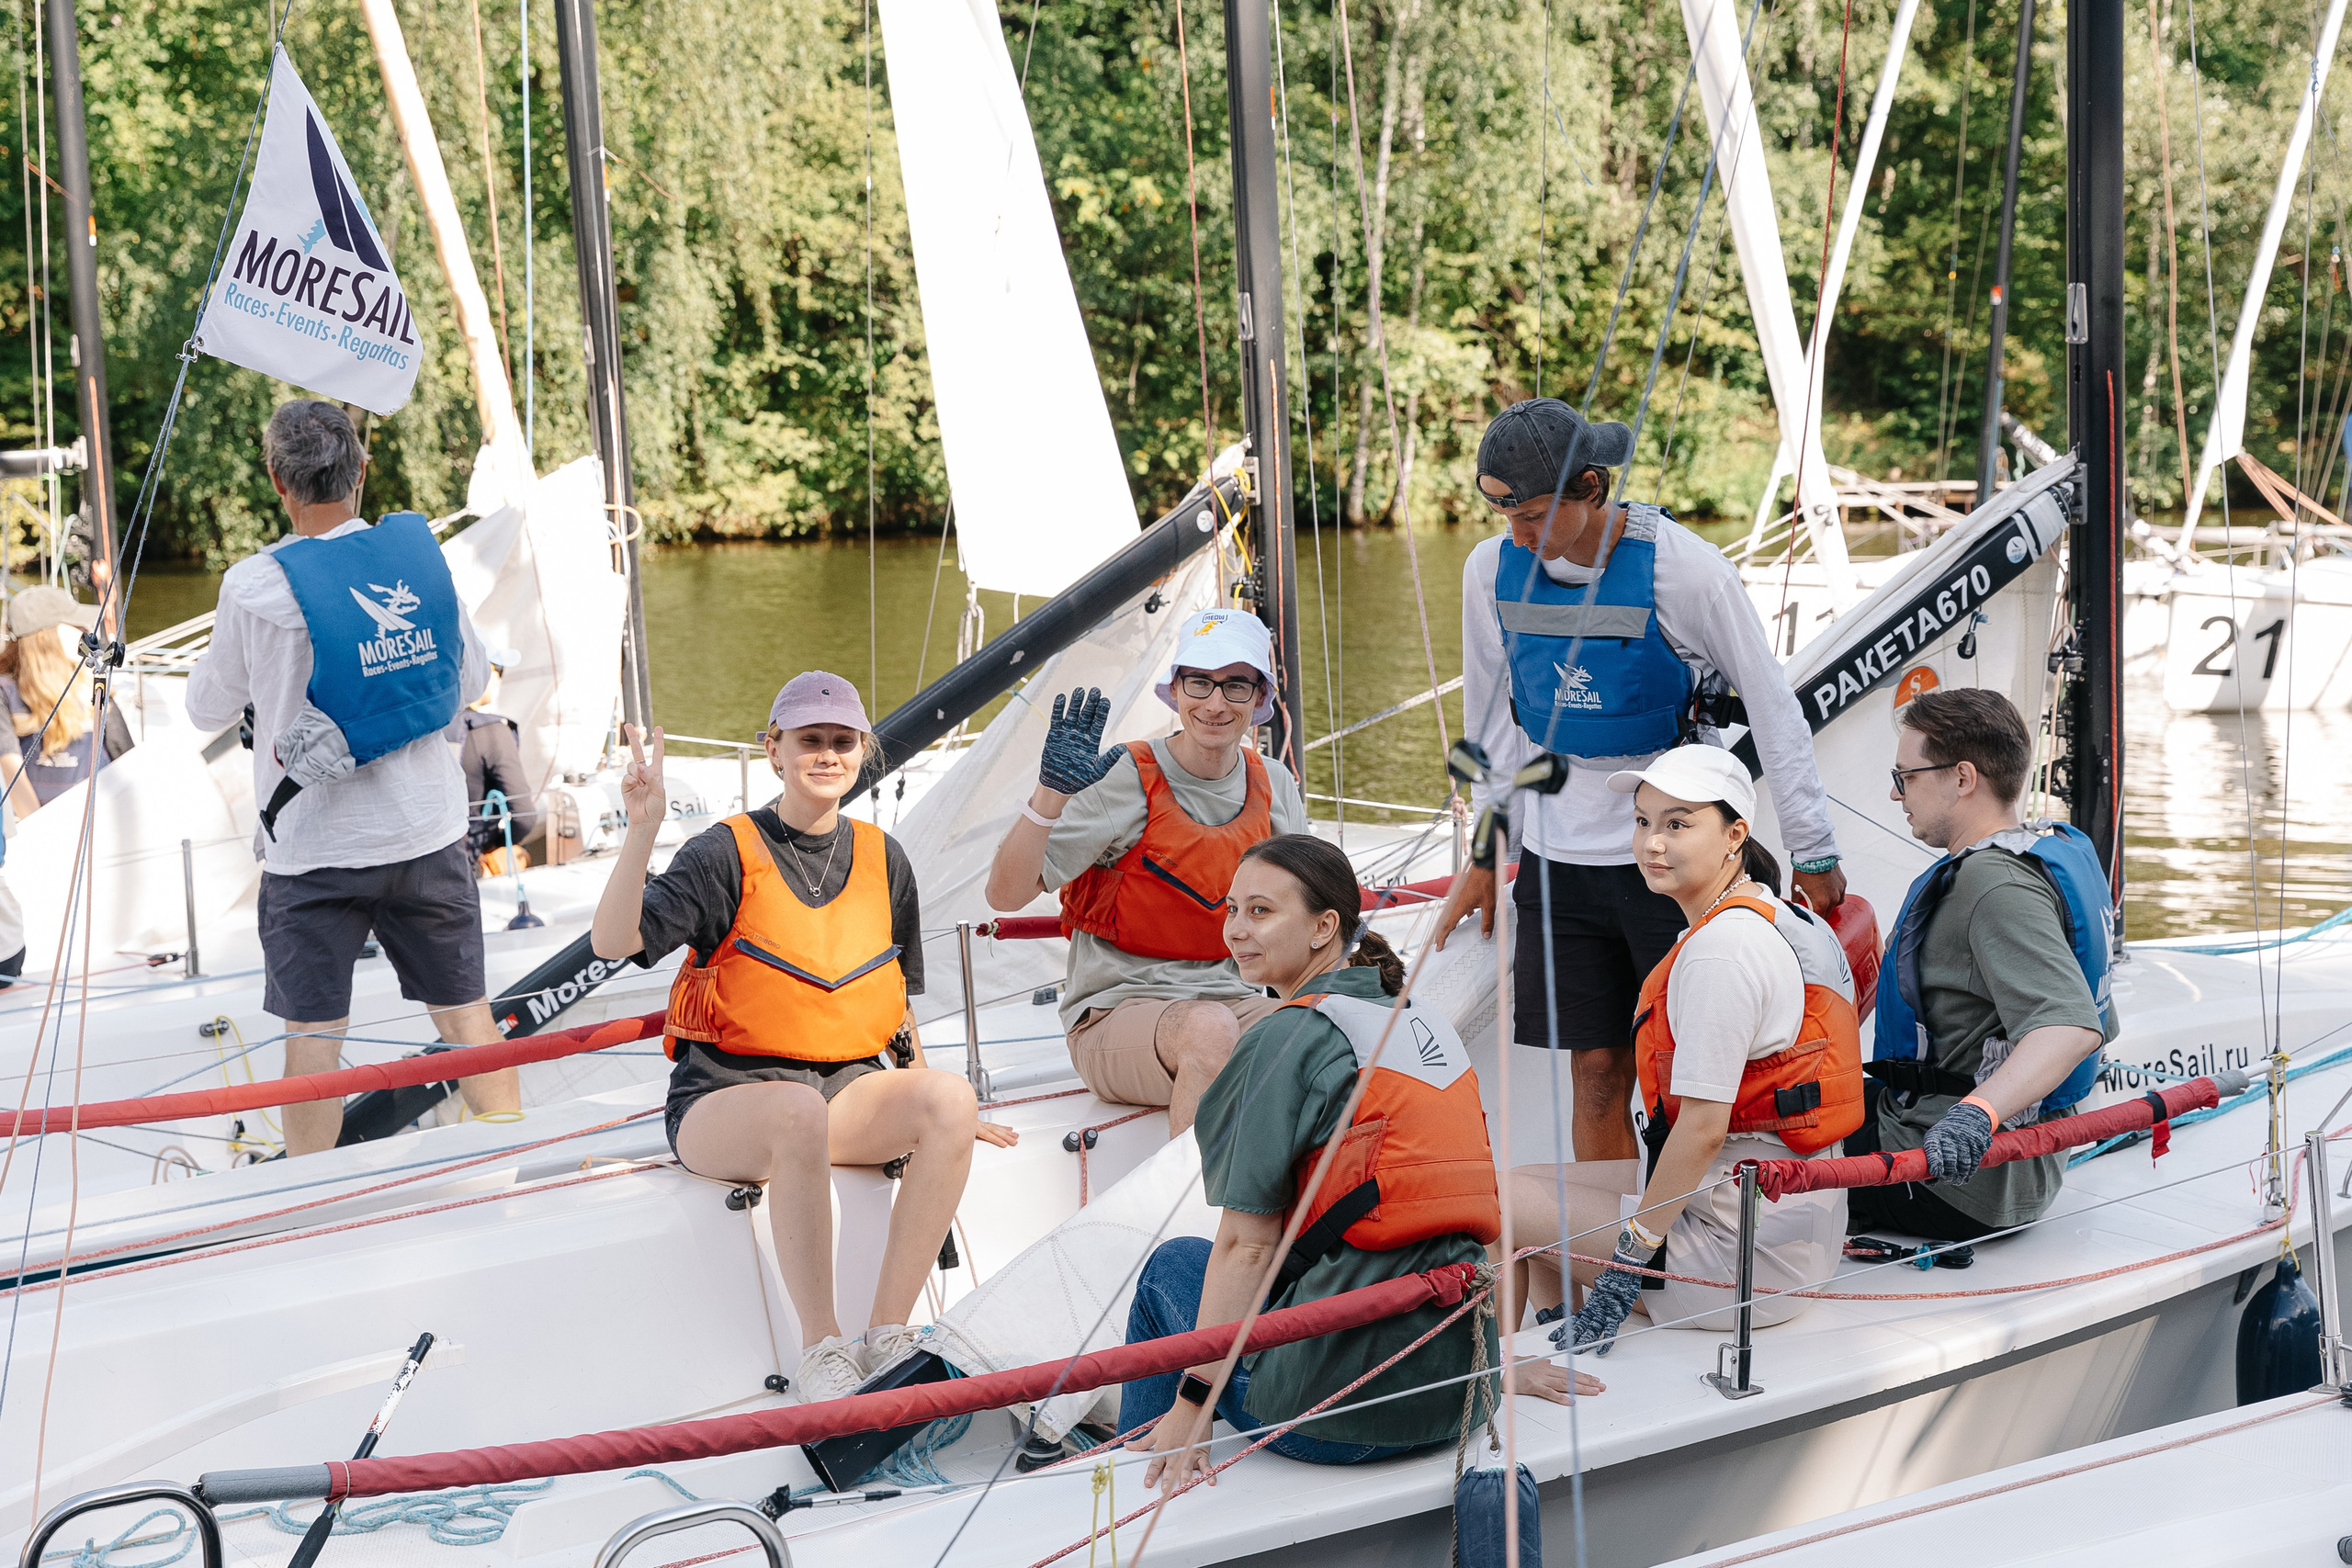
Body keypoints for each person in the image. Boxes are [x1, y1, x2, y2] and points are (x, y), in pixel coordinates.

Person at [1435, 398, 1848, 1166]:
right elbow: (1488, 722)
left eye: (1531, 515)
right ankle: (1619, 1243)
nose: (1515, 536)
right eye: (1502, 514)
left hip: (1678, 859)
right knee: (1595, 1078)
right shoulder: (1489, 571)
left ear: (1592, 487)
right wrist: (1490, 852)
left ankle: (1691, 1227)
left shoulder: (1685, 571)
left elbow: (1773, 708)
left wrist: (1814, 848)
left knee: (1691, 1078)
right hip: (1561, 863)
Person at [591, 672, 1019, 1404]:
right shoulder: (722, 854)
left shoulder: (886, 859)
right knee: (797, 1111)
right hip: (723, 1096)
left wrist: (937, 1107)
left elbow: (893, 1004)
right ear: (774, 750)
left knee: (949, 1100)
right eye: (810, 740)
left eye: (842, 741)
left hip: (842, 1089)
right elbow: (612, 941)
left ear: (863, 751)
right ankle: (822, 1348)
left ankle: (888, 1333)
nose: (827, 754)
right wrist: (642, 829)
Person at [1124, 833, 1600, 1490]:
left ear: (1324, 928)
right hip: (1462, 1396)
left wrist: (1194, 1404)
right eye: (1231, 909)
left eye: (1261, 911)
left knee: (1172, 1266)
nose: (1236, 928)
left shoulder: (1285, 1037)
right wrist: (1495, 1367)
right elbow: (1462, 1214)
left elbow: (1246, 1247)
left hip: (1334, 1419)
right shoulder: (1422, 1024)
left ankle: (1141, 1465)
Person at [187, 400, 516, 1156]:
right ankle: (509, 1171)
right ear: (362, 470)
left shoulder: (252, 587)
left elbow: (206, 707)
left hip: (313, 850)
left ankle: (313, 1199)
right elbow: (469, 681)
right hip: (425, 833)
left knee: (314, 1039)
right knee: (467, 1018)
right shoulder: (420, 561)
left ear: (278, 481)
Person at [1502, 746, 1860, 1353]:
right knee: (1527, 1185)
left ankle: (1494, 1383)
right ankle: (1564, 1345)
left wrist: (1628, 1263)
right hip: (1791, 1230)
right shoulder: (1779, 917)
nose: (1652, 843)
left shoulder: (1723, 952)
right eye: (1643, 821)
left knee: (1498, 1202)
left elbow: (1702, 1129)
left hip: (1740, 1258)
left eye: (1677, 824)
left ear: (1734, 835)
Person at [984, 607, 1308, 1134]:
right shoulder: (1124, 777)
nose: (1215, 703)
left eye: (1236, 686)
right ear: (1175, 690)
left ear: (1259, 699)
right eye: (1199, 682)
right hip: (1113, 1016)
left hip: (1231, 1004)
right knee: (1209, 1030)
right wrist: (1051, 793)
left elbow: (1311, 915)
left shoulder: (1274, 784)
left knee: (1329, 1031)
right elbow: (1004, 895)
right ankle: (1187, 1190)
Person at [1849, 688, 2115, 1242]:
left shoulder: (1996, 885)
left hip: (1956, 1177)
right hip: (2005, 1157)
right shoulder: (2035, 852)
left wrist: (1978, 1115)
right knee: (1800, 1096)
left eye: (1906, 777)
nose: (1896, 793)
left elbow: (2071, 1027)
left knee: (1745, 1138)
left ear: (1963, 778)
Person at [1, 585, 112, 812]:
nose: (87, 631)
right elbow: (11, 772)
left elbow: (126, 753)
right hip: (45, 823)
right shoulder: (5, 694)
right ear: (45, 637)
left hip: (104, 812)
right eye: (76, 626)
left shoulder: (93, 681)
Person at [447, 644, 539, 873]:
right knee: (520, 857)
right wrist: (493, 845)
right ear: (478, 671)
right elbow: (524, 817)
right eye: (497, 670)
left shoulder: (425, 725)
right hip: (465, 865)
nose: (499, 679)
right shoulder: (492, 732)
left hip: (421, 859)